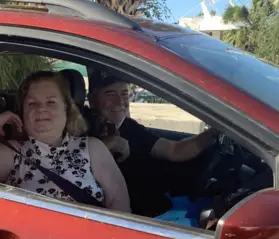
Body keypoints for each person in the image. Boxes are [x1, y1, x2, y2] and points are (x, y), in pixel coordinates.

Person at [0, 71, 131, 213]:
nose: (41, 109)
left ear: (67, 109)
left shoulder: (93, 148)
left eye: (51, 102)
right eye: (32, 103)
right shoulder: (14, 151)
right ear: (22, 112)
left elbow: (121, 207)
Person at [85, 69, 220, 217]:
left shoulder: (129, 126)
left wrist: (215, 132)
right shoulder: (81, 131)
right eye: (110, 94)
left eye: (124, 94)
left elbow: (174, 150)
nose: (120, 102)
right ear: (92, 100)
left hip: (161, 208)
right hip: (136, 220)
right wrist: (104, 148)